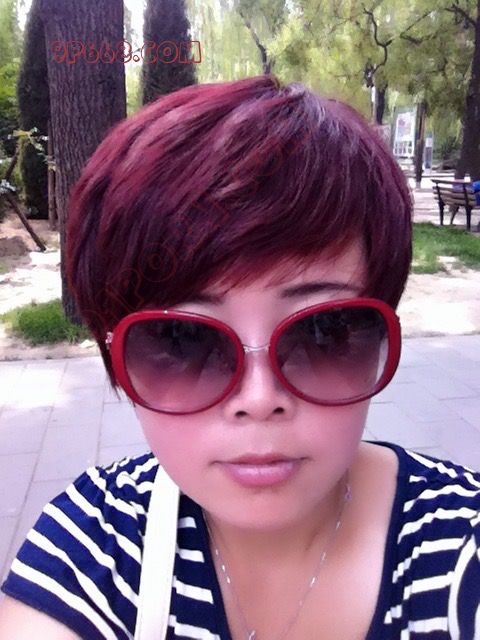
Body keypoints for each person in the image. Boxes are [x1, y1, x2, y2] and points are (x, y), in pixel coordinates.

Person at [0, 74, 479, 640]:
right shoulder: (92, 547)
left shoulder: (459, 543)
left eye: (324, 331)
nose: (259, 399)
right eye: (181, 339)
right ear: (116, 356)